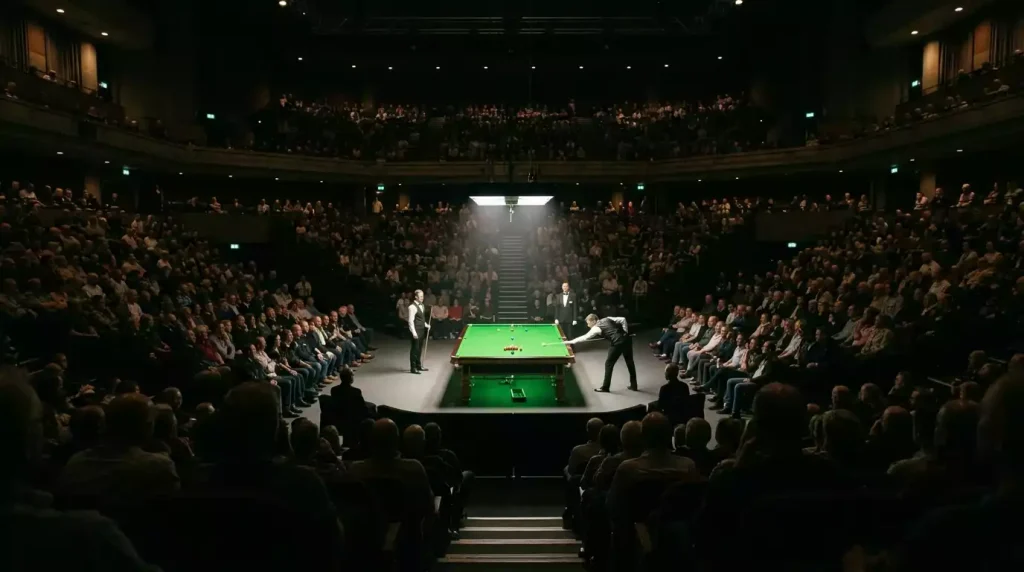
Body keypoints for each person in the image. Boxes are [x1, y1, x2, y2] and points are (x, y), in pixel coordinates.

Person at [556, 313, 637, 392]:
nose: (588, 326)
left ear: (593, 321)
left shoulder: (596, 328)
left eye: (588, 323)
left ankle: (605, 387)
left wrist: (569, 342)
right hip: (627, 340)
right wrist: (625, 332)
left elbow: (584, 338)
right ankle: (634, 385)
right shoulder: (607, 318)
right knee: (629, 362)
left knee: (609, 364)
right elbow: (623, 319)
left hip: (617, 343)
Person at [407, 289, 431, 374]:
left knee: (419, 349)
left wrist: (426, 325)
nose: (422, 298)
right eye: (420, 296)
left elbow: (421, 319)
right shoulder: (412, 307)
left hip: (421, 330)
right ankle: (413, 368)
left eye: (423, 296)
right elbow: (410, 321)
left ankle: (418, 365)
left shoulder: (422, 305)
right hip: (416, 331)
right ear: (416, 297)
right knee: (415, 349)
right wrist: (414, 333)